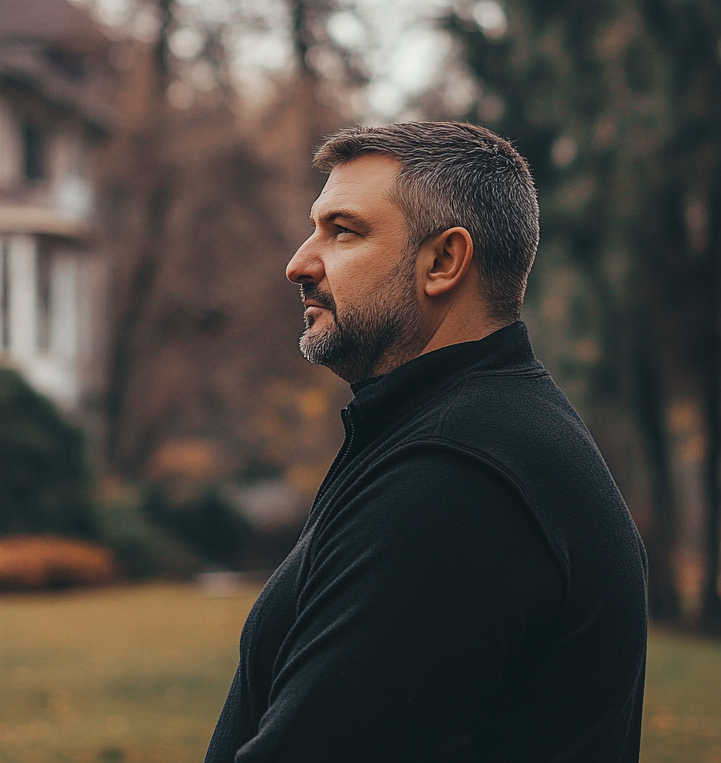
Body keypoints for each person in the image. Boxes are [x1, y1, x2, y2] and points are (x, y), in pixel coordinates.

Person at [206, 122, 647, 763]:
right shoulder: (464, 432)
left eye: (343, 230)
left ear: (443, 261)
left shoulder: (457, 481)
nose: (299, 263)